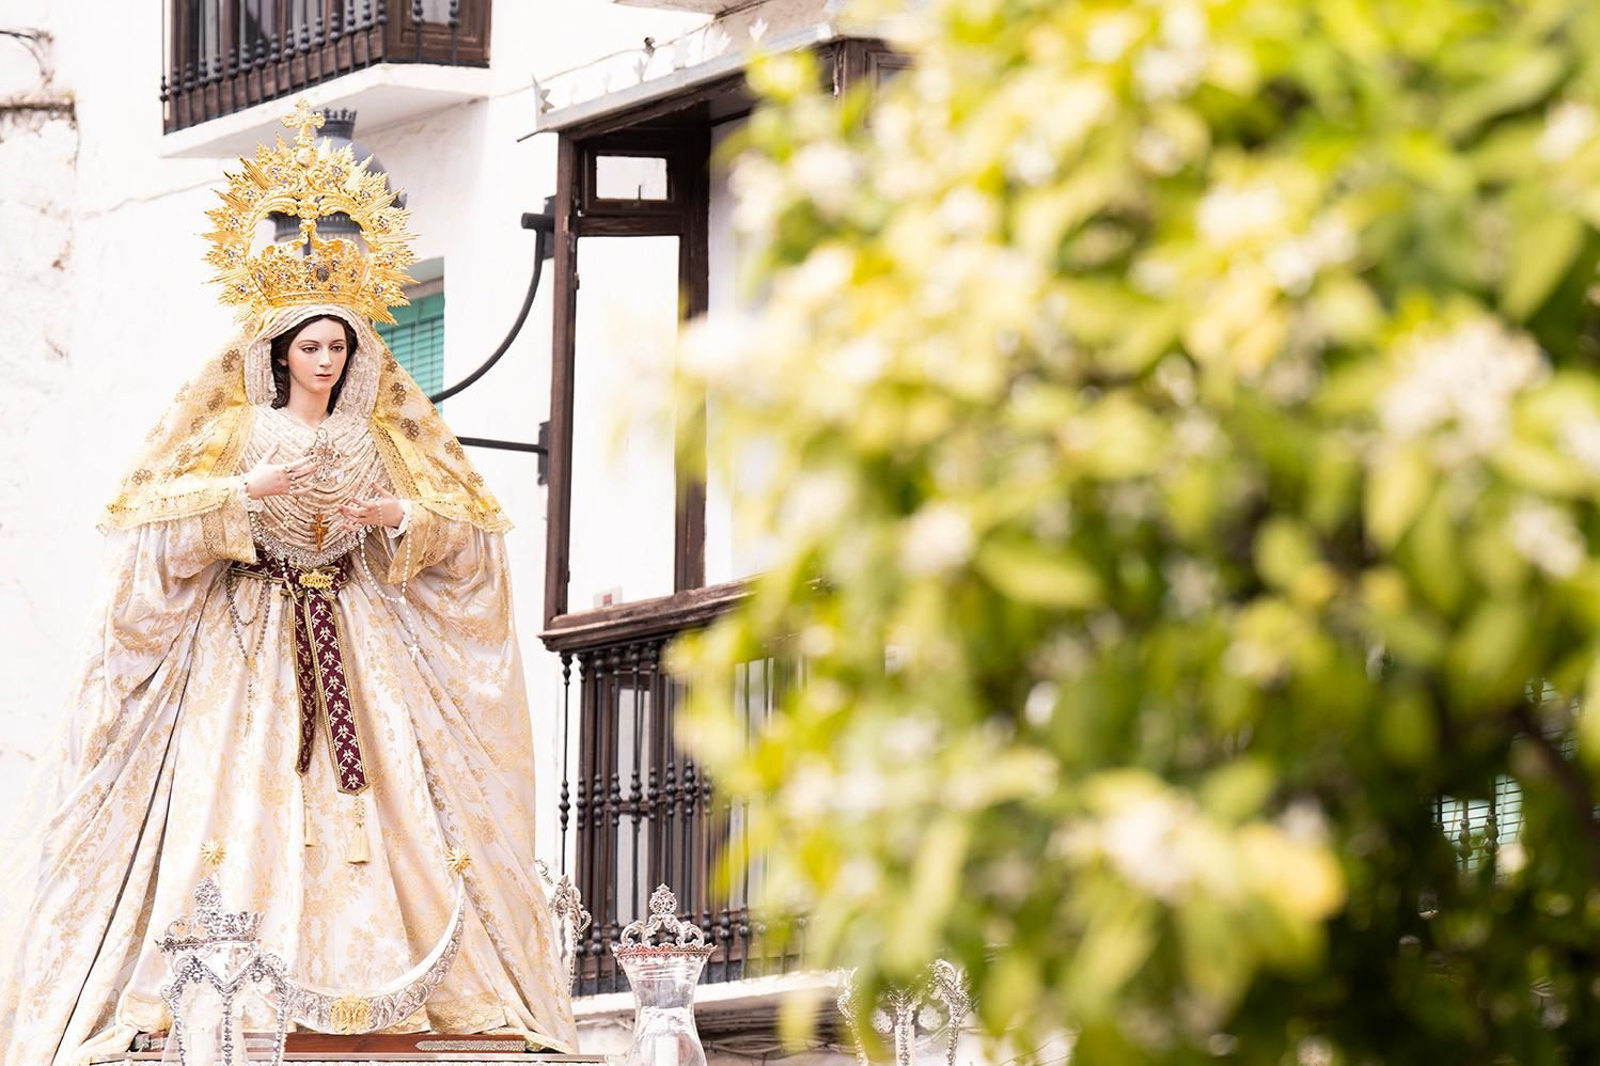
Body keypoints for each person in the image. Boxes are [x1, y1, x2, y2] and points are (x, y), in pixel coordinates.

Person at [0, 101, 577, 1063]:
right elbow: (150, 534)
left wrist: (394, 521)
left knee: (382, 809)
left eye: (338, 347)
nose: (324, 359)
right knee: (242, 800)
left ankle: (380, 991)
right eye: (309, 346)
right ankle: (218, 986)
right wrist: (243, 496)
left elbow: (468, 537)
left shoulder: (376, 437)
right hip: (250, 640)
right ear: (276, 351)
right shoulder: (231, 431)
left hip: (352, 640)